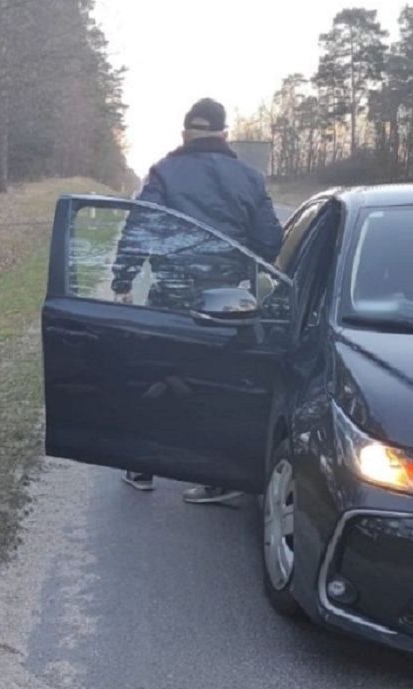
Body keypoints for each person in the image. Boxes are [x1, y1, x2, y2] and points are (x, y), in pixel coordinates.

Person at [111, 98, 284, 505]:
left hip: (171, 293)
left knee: (159, 371)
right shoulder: (249, 178)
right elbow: (269, 242)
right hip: (227, 301)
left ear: (184, 133)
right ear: (224, 135)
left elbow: (141, 228)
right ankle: (217, 477)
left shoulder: (164, 173)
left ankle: (142, 466)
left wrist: (123, 279)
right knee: (218, 381)